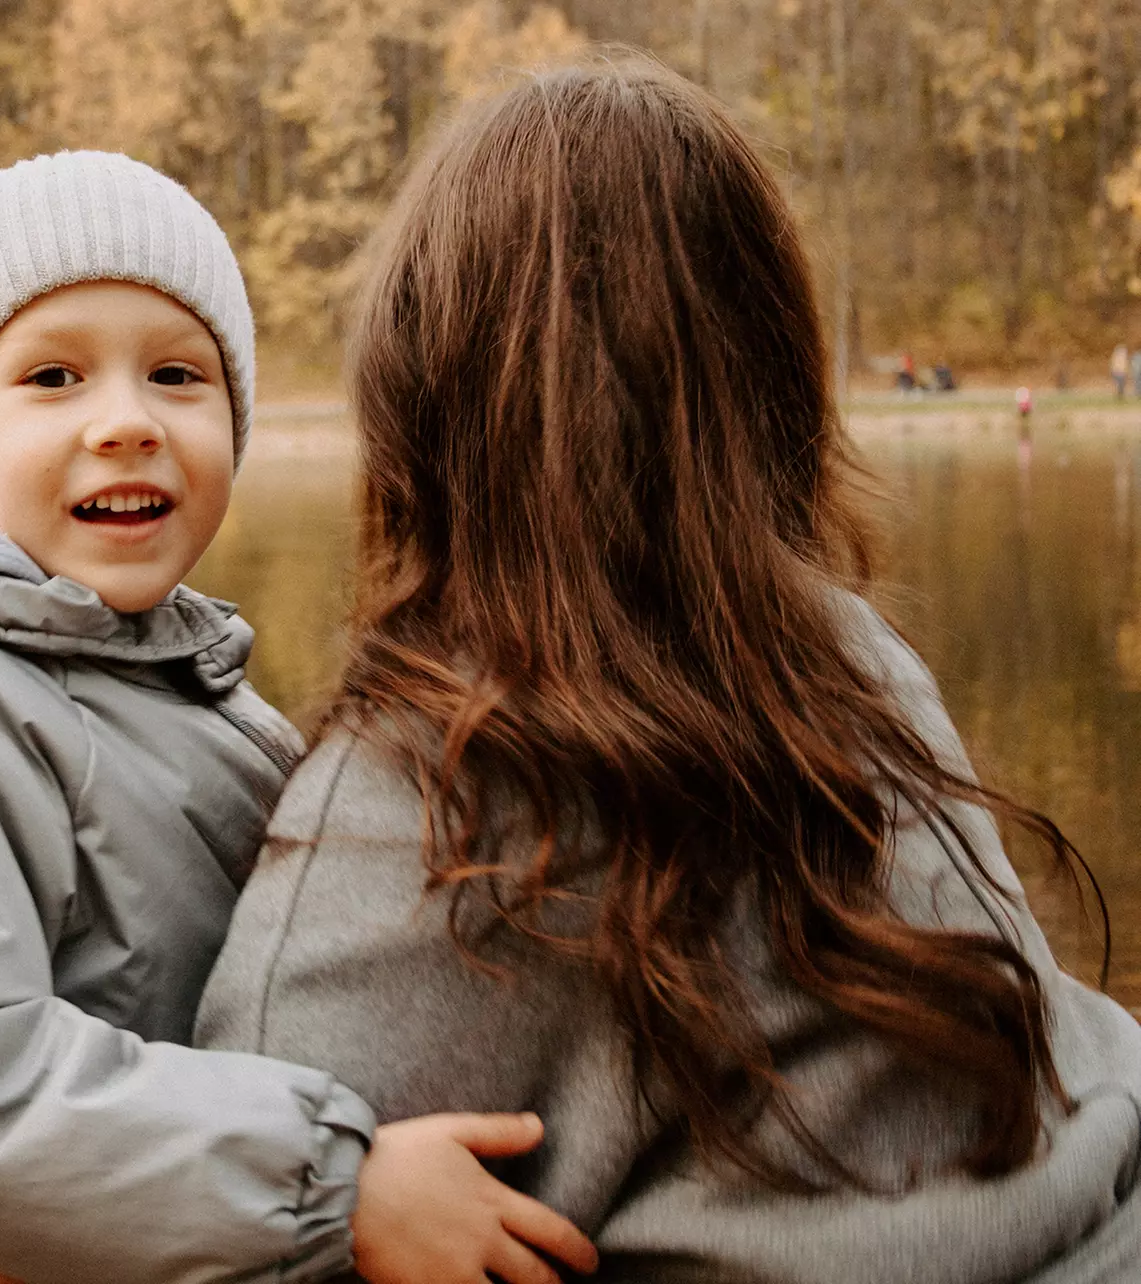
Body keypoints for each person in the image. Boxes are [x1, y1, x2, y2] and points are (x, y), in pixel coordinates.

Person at [197, 63, 1141, 1283]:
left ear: (415, 385)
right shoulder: (853, 655)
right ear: (772, 371)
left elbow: (224, 1221)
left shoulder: (428, 781)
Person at [0, 151, 598, 1284]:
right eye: (53, 377)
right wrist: (336, 1188)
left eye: (177, 375)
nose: (125, 422)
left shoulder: (181, 682)